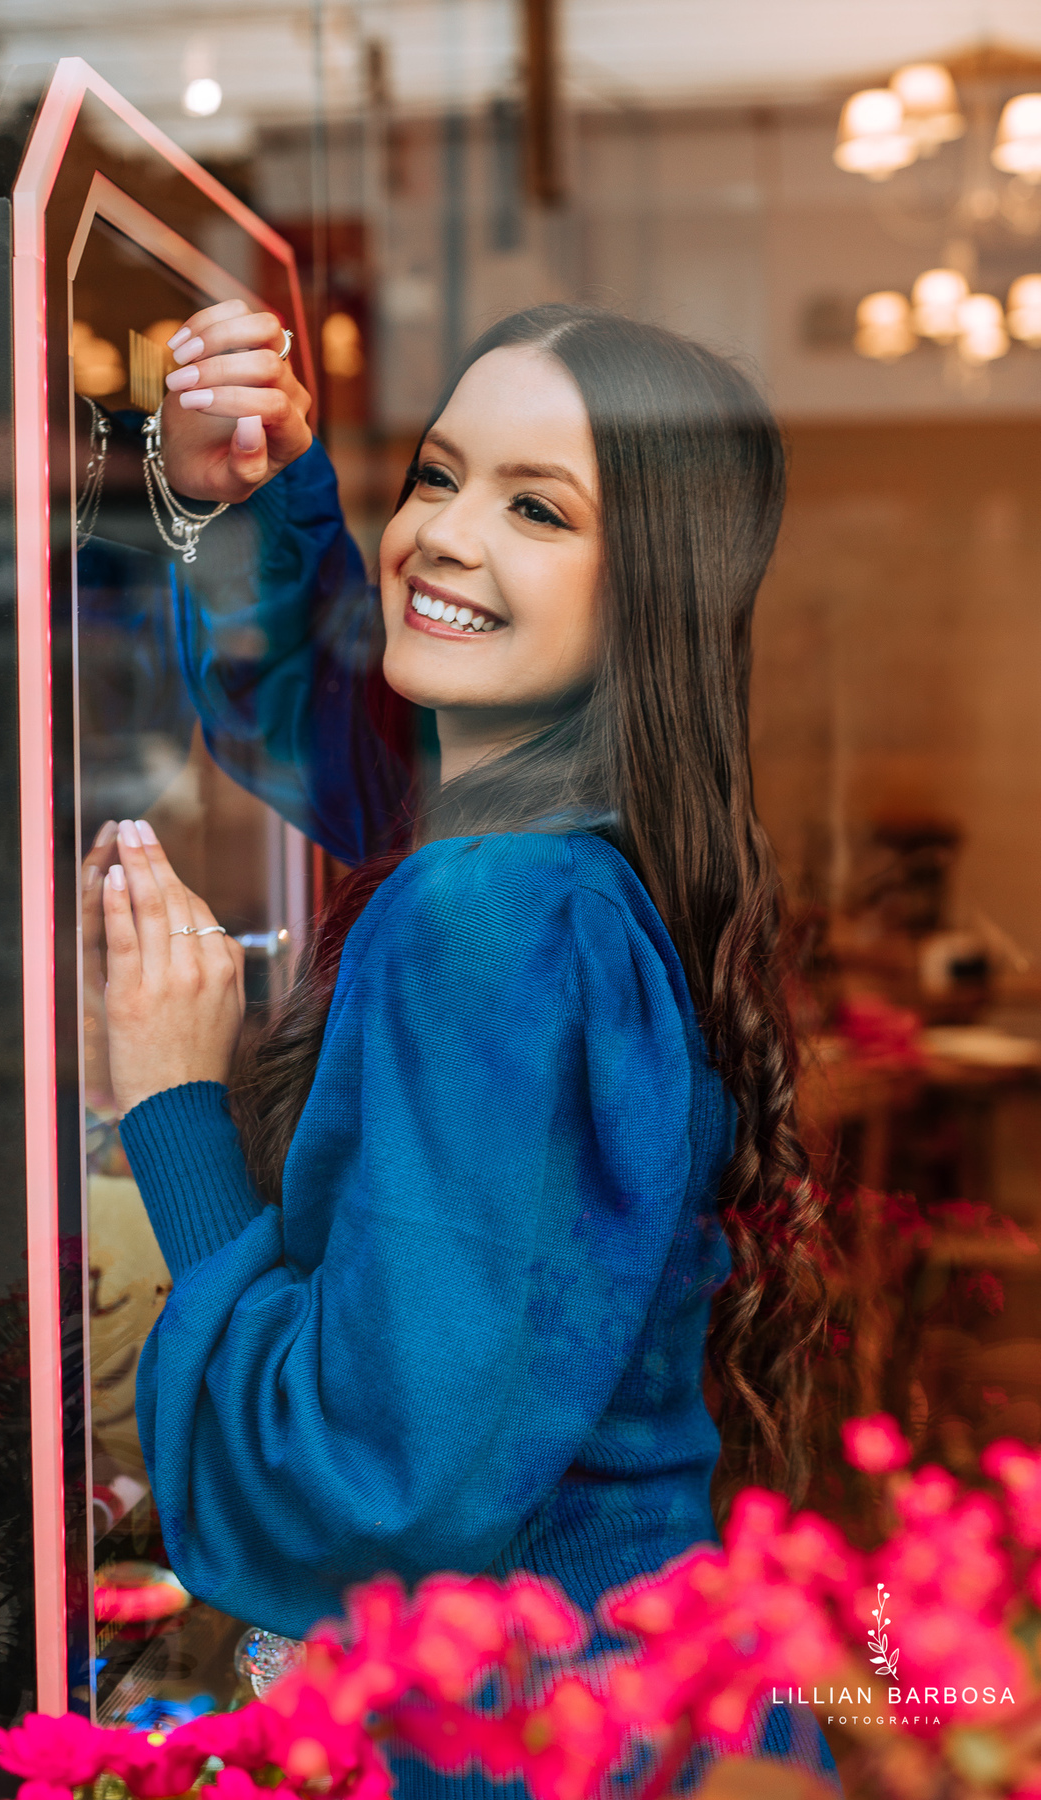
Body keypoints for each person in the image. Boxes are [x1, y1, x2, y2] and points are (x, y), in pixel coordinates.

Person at [89, 303, 833, 1790]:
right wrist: (262, 489)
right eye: (437, 476)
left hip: (529, 1735)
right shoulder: (577, 858)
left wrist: (172, 1097)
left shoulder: (489, 908)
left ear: (652, 589)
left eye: (537, 508)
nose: (442, 534)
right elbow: (341, 727)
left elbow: (361, 1486)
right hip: (657, 1699)